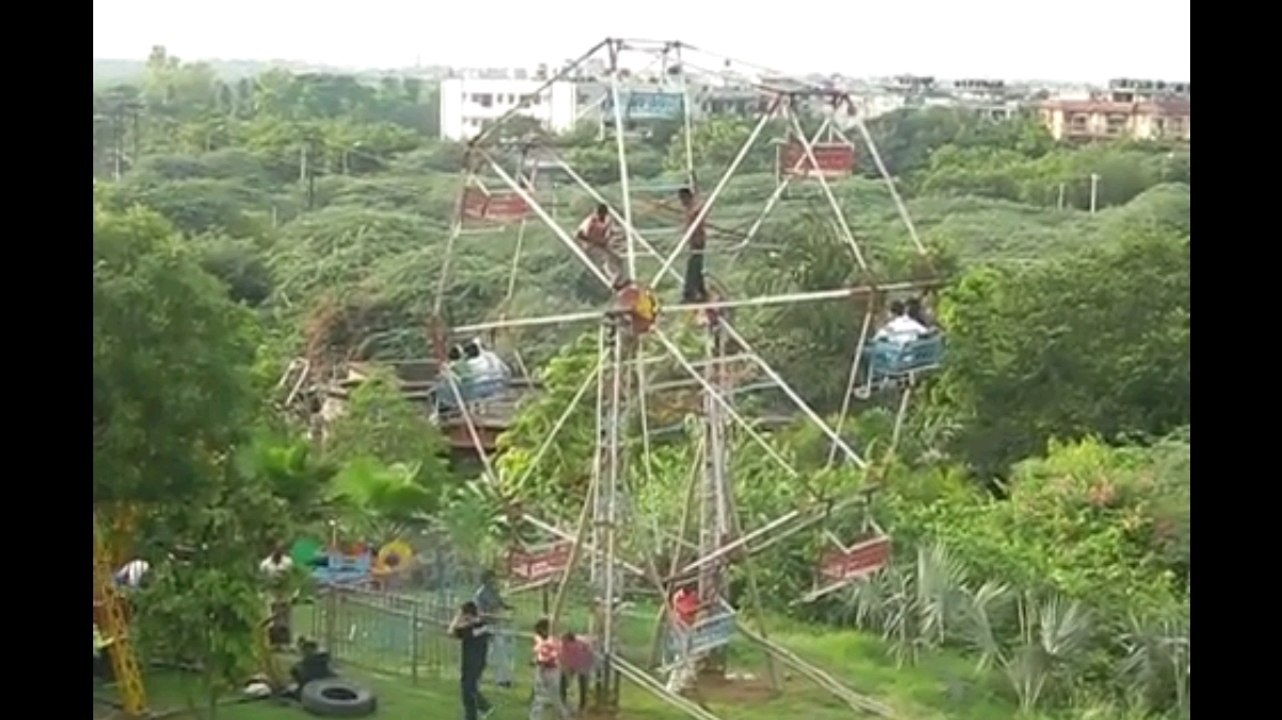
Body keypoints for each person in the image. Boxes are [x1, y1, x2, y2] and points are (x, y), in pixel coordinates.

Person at [450, 601, 494, 720]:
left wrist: (459, 618)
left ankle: (484, 708)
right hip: (468, 662)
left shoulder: (480, 626)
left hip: (476, 663)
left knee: (469, 688)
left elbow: (457, 631)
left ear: (468, 615)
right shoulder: (469, 627)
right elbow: (451, 632)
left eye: (463, 616)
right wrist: (458, 617)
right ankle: (473, 715)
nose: (461, 619)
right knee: (467, 690)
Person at [474, 570, 515, 689]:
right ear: (486, 579)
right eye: (492, 578)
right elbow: (481, 611)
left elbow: (500, 603)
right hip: (485, 626)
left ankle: (503, 679)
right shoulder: (480, 594)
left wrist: (508, 607)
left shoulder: (494, 591)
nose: (494, 580)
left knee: (500, 652)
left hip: (496, 625)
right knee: (486, 655)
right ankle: (476, 676)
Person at [664, 582, 705, 694]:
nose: (690, 588)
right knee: (680, 657)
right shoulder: (678, 596)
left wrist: (703, 606)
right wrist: (702, 606)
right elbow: (685, 610)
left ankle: (684, 684)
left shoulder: (693, 595)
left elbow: (698, 607)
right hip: (679, 628)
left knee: (692, 656)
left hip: (689, 628)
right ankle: (672, 687)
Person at [529, 618, 571, 720]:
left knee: (554, 696)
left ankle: (564, 715)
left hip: (552, 670)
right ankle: (535, 717)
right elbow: (538, 654)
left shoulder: (554, 639)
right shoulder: (539, 640)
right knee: (540, 695)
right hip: (542, 668)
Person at [575, 203, 622, 280]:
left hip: (601, 245)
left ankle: (616, 277)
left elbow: (606, 233)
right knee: (605, 258)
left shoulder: (607, 221)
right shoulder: (590, 220)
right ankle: (610, 277)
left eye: (603, 214)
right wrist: (594, 241)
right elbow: (579, 234)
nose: (601, 216)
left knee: (617, 258)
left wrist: (607, 238)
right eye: (599, 214)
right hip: (590, 245)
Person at [677, 188, 708, 303]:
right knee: (696, 267)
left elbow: (700, 208)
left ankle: (690, 292)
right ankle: (701, 291)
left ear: (688, 197)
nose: (682, 202)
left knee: (693, 267)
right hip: (693, 242)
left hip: (698, 242)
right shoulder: (687, 209)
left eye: (683, 198)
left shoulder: (694, 208)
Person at [559, 631, 593, 715]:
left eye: (565, 641)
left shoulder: (580, 645)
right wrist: (566, 669)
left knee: (583, 683)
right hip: (572, 663)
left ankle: (582, 705)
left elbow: (587, 655)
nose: (563, 643)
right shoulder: (564, 646)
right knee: (563, 681)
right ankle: (563, 701)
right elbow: (563, 658)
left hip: (583, 663)